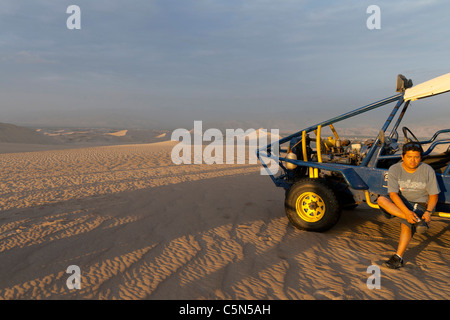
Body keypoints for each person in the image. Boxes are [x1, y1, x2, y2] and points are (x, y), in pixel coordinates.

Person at [377, 141, 440, 269]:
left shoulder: (427, 170)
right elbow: (393, 194)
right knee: (381, 200)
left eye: (416, 157)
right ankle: (416, 220)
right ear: (402, 157)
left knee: (405, 224)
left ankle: (398, 258)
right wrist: (406, 212)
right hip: (401, 201)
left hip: (419, 203)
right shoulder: (395, 169)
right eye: (409, 157)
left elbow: (434, 195)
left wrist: (428, 211)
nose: (413, 160)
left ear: (420, 158)